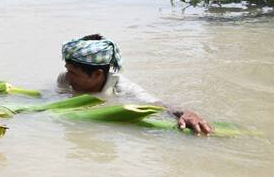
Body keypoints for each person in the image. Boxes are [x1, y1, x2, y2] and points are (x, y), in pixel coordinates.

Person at [57, 34, 212, 135]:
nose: (69, 77)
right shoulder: (64, 79)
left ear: (98, 74)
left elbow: (156, 104)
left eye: (74, 73)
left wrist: (184, 113)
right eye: (68, 70)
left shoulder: (122, 88)